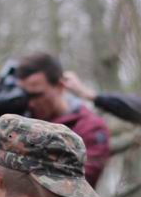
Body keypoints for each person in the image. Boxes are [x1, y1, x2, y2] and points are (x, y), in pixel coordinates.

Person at [16, 52, 111, 186]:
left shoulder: (90, 127)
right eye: (26, 96)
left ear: (60, 86)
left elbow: (80, 183)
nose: (30, 103)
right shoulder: (22, 119)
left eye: (37, 95)